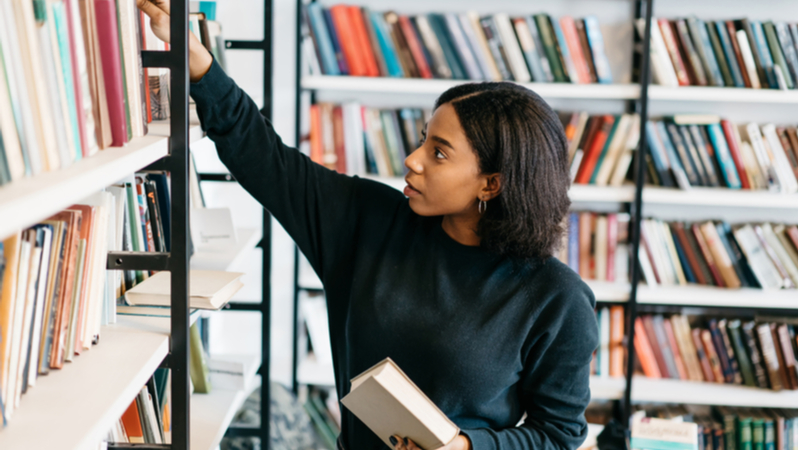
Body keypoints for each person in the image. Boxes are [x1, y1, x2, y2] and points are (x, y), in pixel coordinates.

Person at [137, 2, 599, 449]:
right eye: (422, 141)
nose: (412, 161)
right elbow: (267, 160)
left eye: (438, 153)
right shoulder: (367, 220)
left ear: (491, 184)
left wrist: (465, 446)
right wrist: (200, 65)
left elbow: (557, 435)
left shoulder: (556, 298)